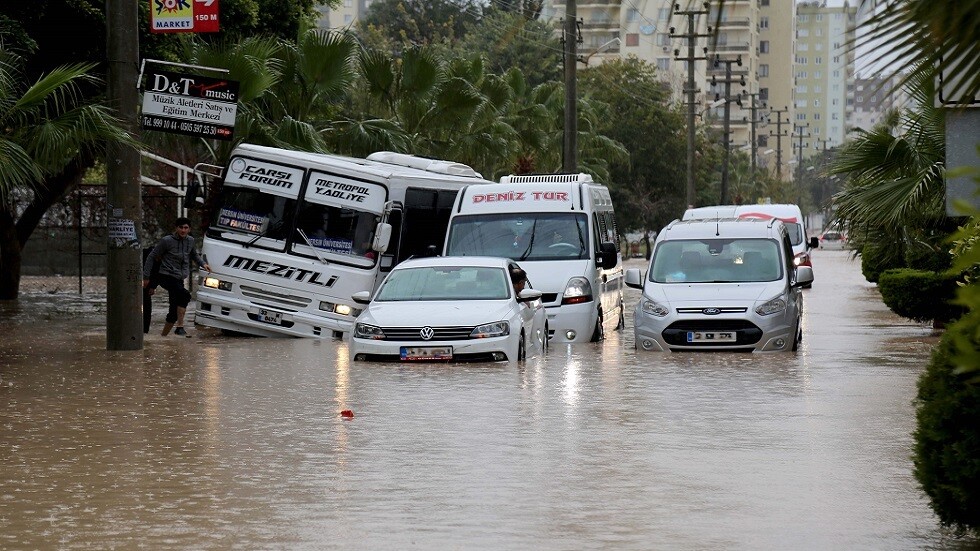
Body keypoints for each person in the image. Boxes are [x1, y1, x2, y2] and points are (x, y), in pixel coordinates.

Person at [143, 217, 211, 337]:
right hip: (165, 275)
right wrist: (146, 277)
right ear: (176, 228)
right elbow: (151, 257)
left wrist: (203, 264)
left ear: (189, 229)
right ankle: (180, 326)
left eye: (185, 228)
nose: (183, 230)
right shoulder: (167, 241)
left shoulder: (190, 241)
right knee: (185, 295)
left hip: (179, 278)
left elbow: (194, 255)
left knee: (174, 310)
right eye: (181, 227)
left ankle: (163, 337)